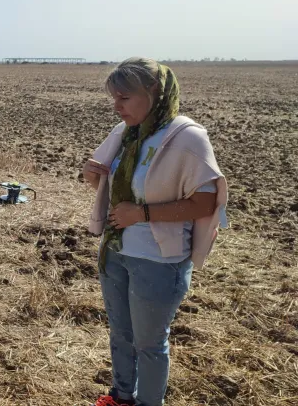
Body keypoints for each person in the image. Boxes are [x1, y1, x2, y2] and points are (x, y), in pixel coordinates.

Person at [82, 58, 227, 406]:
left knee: (149, 344)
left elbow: (206, 204)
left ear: (155, 92)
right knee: (120, 334)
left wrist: (142, 214)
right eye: (114, 98)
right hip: (115, 251)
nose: (116, 107)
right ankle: (121, 397)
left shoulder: (187, 137)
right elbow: (113, 185)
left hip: (159, 260)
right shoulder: (126, 132)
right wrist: (93, 175)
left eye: (124, 98)